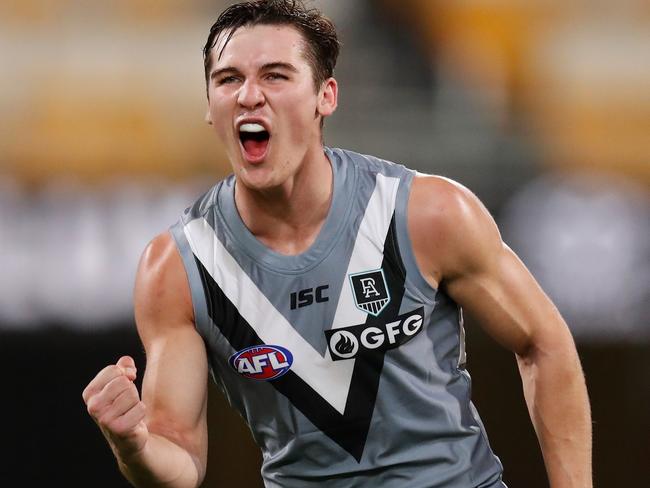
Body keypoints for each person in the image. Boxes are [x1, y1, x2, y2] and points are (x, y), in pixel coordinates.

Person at [82, 1, 592, 487]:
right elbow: (180, 460)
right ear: (210, 108)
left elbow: (543, 343)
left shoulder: (425, 214)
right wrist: (133, 444)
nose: (249, 95)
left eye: (276, 75)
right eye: (228, 79)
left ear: (325, 95)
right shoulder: (177, 268)